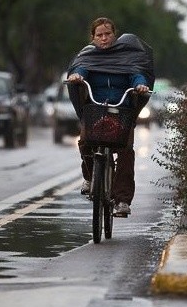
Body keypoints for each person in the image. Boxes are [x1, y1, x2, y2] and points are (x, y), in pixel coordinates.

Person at [65, 17, 154, 216]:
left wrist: (141, 84)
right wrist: (76, 76)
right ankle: (89, 177)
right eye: (99, 35)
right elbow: (81, 69)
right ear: (93, 37)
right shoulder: (87, 57)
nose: (104, 38)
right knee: (85, 142)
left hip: (121, 111)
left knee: (125, 152)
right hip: (96, 110)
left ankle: (122, 201)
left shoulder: (126, 57)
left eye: (108, 34)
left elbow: (136, 73)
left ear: (115, 35)